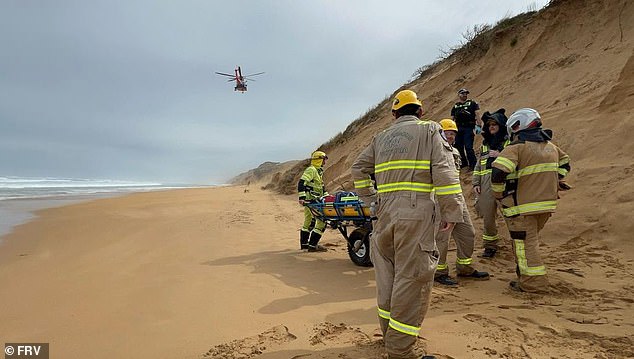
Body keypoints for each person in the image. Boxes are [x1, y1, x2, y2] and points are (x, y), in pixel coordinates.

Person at [351, 90, 463, 359]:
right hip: (417, 213)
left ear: (394, 115)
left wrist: (373, 200)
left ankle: (390, 337)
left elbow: (358, 168)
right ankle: (400, 350)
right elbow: (445, 172)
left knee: (387, 279)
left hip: (385, 215)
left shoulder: (381, 137)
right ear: (420, 111)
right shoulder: (429, 130)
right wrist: (452, 211)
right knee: (412, 280)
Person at [491, 108, 571, 293]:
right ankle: (525, 275)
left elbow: (498, 174)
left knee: (526, 245)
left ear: (516, 127)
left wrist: (498, 195)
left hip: (521, 208)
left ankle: (533, 284)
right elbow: (566, 163)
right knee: (529, 241)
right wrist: (555, 179)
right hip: (546, 205)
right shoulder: (551, 147)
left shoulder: (516, 148)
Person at [434, 119, 490, 286]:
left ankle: (464, 268)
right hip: (441, 200)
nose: (450, 136)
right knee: (442, 238)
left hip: (457, 199)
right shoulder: (434, 152)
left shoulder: (456, 152)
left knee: (468, 234)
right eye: (447, 133)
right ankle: (439, 272)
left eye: (453, 133)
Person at [472, 109, 510, 258]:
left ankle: (518, 244)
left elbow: (516, 161)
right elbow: (478, 166)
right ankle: (490, 247)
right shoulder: (485, 145)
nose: (492, 127)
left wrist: (501, 155)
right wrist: (476, 183)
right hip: (486, 186)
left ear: (501, 125)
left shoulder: (509, 142)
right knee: (488, 219)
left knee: (510, 217)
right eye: (489, 125)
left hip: (505, 184)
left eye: (495, 124)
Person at [298, 150, 329, 252]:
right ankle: (312, 245)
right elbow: (302, 183)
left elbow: (321, 186)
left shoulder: (318, 171)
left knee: (309, 221)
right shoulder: (311, 170)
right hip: (310, 199)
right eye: (324, 160)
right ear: (319, 160)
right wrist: (302, 198)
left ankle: (305, 245)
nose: (325, 162)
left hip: (315, 199)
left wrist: (326, 196)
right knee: (320, 222)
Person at [451, 88, 481, 171]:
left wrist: (479, 125)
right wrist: (451, 129)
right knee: (458, 147)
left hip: (468, 127)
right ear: (459, 95)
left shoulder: (472, 103)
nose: (465, 95)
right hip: (458, 128)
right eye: (463, 93)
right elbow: (452, 118)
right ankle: (463, 163)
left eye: (466, 93)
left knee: (468, 147)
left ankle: (473, 164)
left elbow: (477, 114)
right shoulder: (456, 106)